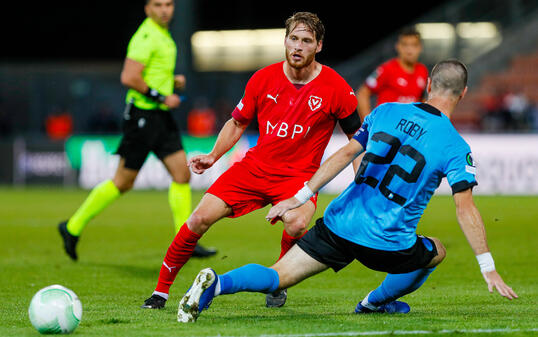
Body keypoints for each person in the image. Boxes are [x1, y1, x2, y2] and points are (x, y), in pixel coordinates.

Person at [176, 59, 518, 323]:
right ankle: (374, 302)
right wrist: (487, 265)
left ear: (428, 84)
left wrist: (298, 196)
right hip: (388, 243)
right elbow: (465, 208)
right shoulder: (455, 146)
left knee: (278, 276)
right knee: (436, 250)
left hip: (338, 224)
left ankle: (216, 284)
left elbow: (344, 154)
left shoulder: (384, 112)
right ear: (464, 93)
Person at [141, 12, 362, 310]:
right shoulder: (263, 78)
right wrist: (213, 156)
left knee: (296, 224)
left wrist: (362, 185)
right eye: (293, 39)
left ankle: (278, 278)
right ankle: (161, 292)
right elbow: (236, 123)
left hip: (298, 178)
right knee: (198, 219)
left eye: (306, 41)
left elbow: (356, 142)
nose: (298, 46)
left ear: (318, 46)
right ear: (285, 40)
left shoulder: (336, 87)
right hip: (254, 168)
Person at [58, 0, 216, 261]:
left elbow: (150, 73)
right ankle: (72, 227)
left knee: (181, 175)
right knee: (122, 182)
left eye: (168, 4)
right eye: (158, 5)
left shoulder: (164, 35)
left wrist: (171, 82)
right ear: (147, 8)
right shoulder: (146, 35)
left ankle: (184, 242)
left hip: (160, 118)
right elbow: (128, 77)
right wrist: (162, 96)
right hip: (142, 117)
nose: (164, 9)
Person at [356, 26, 428, 122]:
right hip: (385, 130)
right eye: (405, 45)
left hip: (408, 130)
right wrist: (368, 123)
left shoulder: (422, 71)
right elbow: (362, 94)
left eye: (414, 45)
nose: (409, 50)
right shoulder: (386, 69)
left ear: (420, 48)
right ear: (398, 46)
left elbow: (422, 100)